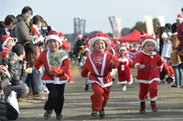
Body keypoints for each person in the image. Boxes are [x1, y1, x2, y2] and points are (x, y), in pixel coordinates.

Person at [34, 30, 70, 120]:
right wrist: (38, 69)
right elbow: (37, 63)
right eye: (50, 42)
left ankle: (58, 112)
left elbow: (66, 67)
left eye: (55, 42)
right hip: (48, 78)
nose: (53, 44)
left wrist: (58, 71)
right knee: (54, 94)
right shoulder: (44, 53)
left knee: (60, 97)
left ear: (59, 43)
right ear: (47, 43)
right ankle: (48, 109)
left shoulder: (63, 54)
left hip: (60, 78)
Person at [81, 32, 118, 118]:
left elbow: (116, 64)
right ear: (94, 46)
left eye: (102, 43)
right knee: (98, 92)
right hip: (95, 78)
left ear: (105, 45)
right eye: (97, 44)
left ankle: (101, 108)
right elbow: (87, 66)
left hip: (106, 78)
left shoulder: (110, 55)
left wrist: (113, 64)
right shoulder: (90, 57)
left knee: (105, 96)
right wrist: (84, 73)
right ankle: (95, 108)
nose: (100, 45)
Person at [133, 35, 163, 114]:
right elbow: (136, 62)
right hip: (143, 76)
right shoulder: (140, 55)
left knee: (153, 89)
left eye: (152, 46)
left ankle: (153, 102)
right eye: (148, 46)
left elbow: (160, 62)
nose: (150, 48)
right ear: (143, 47)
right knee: (143, 92)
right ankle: (142, 104)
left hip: (154, 75)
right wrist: (139, 66)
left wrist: (160, 67)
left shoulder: (156, 55)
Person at [170, 23, 183, 87]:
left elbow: (175, 45)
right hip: (180, 52)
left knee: (176, 68)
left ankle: (177, 83)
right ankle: (181, 83)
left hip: (175, 52)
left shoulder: (174, 36)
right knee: (180, 68)